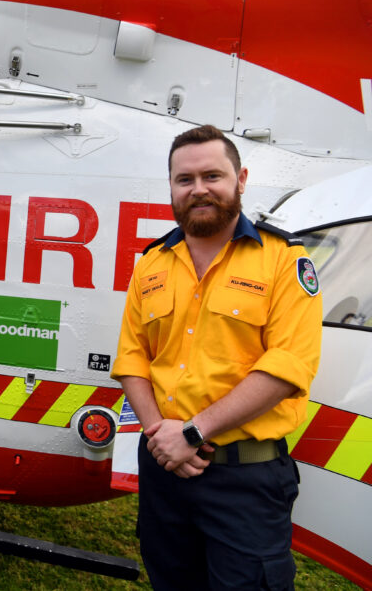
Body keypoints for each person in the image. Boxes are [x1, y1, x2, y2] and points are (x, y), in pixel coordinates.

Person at [112, 124, 322, 589]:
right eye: (184, 179)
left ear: (240, 179)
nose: (198, 189)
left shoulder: (285, 261)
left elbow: (287, 367)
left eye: (213, 175)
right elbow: (131, 358)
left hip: (245, 481)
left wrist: (192, 432)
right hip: (166, 472)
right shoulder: (151, 263)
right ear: (171, 186)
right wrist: (160, 437)